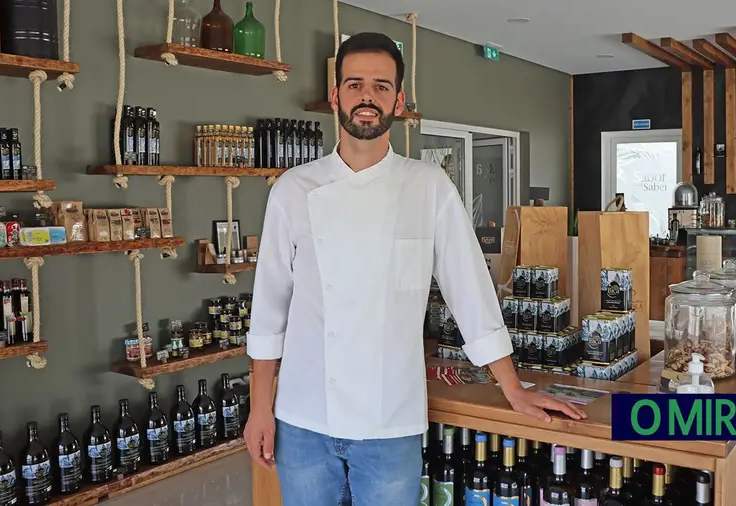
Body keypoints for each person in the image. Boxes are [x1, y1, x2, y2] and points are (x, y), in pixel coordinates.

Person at [245, 32, 587, 506]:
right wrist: (260, 406)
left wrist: (515, 388)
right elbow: (269, 309)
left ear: (399, 101)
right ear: (335, 95)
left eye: (381, 86)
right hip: (303, 419)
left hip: (391, 424)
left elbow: (470, 290)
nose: (367, 97)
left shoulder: (428, 187)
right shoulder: (292, 190)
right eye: (355, 84)